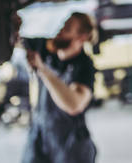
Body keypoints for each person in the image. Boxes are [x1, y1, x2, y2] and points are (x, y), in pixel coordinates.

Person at [22, 12, 97, 163]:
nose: (60, 30)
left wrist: (43, 70)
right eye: (63, 25)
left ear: (81, 37)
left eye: (68, 28)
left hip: (71, 143)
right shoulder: (44, 48)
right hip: (40, 135)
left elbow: (74, 105)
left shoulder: (83, 65)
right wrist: (12, 25)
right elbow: (12, 41)